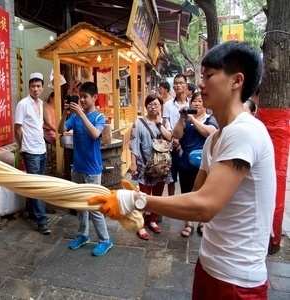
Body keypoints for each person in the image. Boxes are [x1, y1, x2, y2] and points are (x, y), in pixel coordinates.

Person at [89, 41, 275, 299]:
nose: (200, 84)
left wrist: (135, 200)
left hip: (237, 280)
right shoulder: (215, 140)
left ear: (237, 81)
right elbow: (193, 195)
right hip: (209, 265)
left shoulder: (245, 131)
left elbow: (204, 206)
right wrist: (137, 197)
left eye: (209, 76)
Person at [57, 81, 113, 256]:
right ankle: (83, 235)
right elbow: (60, 130)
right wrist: (66, 112)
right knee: (80, 205)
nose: (82, 100)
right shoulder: (74, 117)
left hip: (93, 170)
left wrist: (81, 114)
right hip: (78, 167)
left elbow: (96, 134)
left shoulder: (99, 117)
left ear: (94, 97)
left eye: (85, 97)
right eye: (80, 96)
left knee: (95, 208)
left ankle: (105, 240)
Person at [172, 92, 218, 237]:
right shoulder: (185, 120)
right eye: (194, 101)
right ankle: (188, 223)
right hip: (186, 162)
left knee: (205, 193)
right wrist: (181, 118)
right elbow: (177, 134)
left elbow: (210, 132)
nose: (197, 104)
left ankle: (202, 222)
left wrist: (193, 119)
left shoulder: (211, 119)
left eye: (200, 101)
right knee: (187, 192)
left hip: (205, 164)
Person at [129, 93, 172, 240]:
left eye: (156, 104)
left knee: (158, 197)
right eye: (150, 104)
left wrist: (159, 123)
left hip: (161, 166)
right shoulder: (139, 122)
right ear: (146, 106)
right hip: (144, 166)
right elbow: (134, 144)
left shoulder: (165, 122)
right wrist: (133, 163)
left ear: (161, 106)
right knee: (143, 197)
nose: (153, 107)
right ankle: (140, 225)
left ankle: (153, 220)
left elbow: (169, 137)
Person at [14, 72, 51, 235]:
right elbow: (17, 127)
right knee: (37, 186)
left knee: (40, 184)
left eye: (38, 86)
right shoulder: (23, 104)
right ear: (28, 87)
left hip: (41, 148)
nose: (35, 89)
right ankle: (41, 220)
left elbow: (41, 124)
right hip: (30, 151)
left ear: (42, 88)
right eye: (32, 86)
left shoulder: (41, 103)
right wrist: (22, 146)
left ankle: (33, 213)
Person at [163, 74, 189, 199]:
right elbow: (166, 123)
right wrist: (174, 139)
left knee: (187, 178)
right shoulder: (168, 105)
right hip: (171, 145)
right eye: (176, 83)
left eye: (181, 83)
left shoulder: (192, 104)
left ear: (186, 85)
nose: (178, 85)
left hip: (188, 146)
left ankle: (187, 205)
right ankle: (171, 201)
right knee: (171, 178)